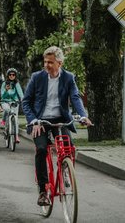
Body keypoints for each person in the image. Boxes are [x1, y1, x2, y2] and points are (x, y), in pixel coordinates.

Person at [22, 46, 92, 207]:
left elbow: (75, 98)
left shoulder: (68, 78)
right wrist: (33, 120)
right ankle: (43, 190)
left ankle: (66, 172)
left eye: (50, 62)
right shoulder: (37, 77)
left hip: (60, 119)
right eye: (45, 62)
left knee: (69, 148)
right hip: (40, 121)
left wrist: (83, 115)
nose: (46, 65)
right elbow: (25, 102)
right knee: (41, 149)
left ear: (59, 63)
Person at [0, 68, 24, 141]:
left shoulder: (16, 83)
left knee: (15, 119)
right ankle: (5, 125)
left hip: (14, 102)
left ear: (15, 76)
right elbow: (2, 95)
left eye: (13, 75)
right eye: (10, 74)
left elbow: (20, 93)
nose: (12, 76)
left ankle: (16, 136)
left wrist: (23, 99)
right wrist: (6, 90)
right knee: (7, 110)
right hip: (5, 101)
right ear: (8, 75)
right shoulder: (4, 83)